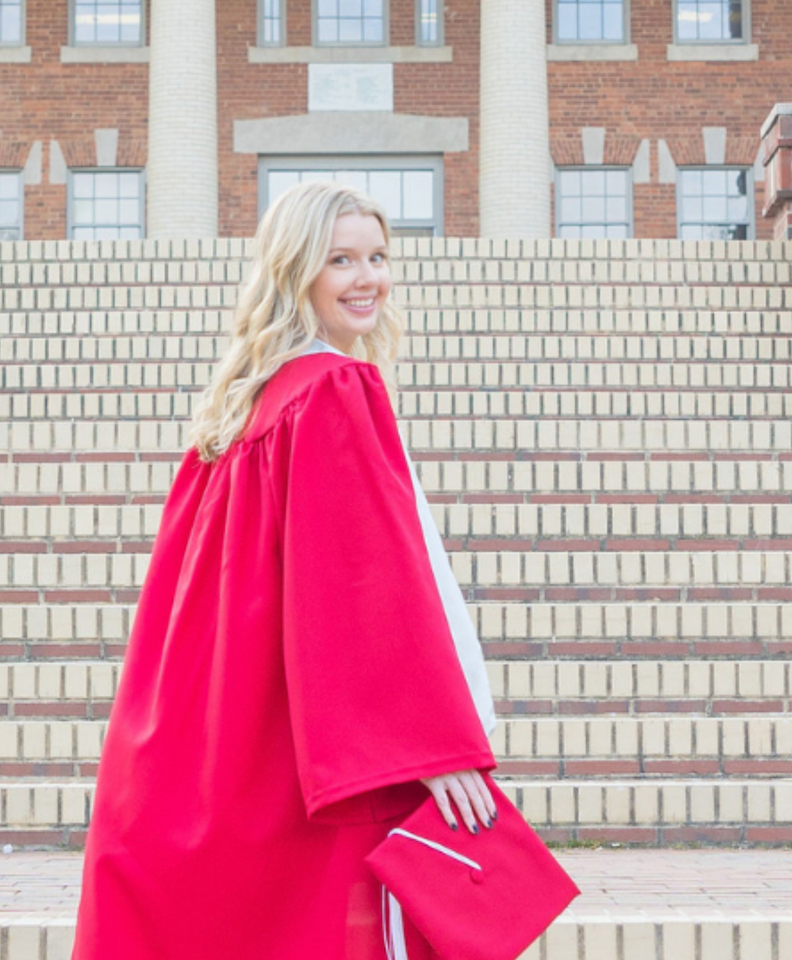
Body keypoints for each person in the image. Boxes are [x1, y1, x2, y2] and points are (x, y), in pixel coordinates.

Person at [73, 181, 506, 959]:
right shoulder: (332, 388)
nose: (368, 277)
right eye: (340, 259)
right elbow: (365, 582)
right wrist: (434, 746)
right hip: (310, 745)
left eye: (377, 256)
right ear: (295, 271)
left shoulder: (249, 405)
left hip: (234, 729)